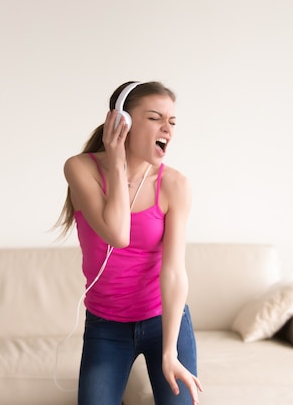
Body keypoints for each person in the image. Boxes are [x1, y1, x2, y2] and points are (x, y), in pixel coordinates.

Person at [55, 81, 203, 405]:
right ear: (121, 122)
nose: (167, 128)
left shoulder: (175, 185)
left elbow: (175, 272)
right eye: (155, 118)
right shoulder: (81, 169)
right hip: (106, 327)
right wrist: (117, 157)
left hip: (163, 320)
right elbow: (117, 233)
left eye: (172, 122)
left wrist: (170, 351)